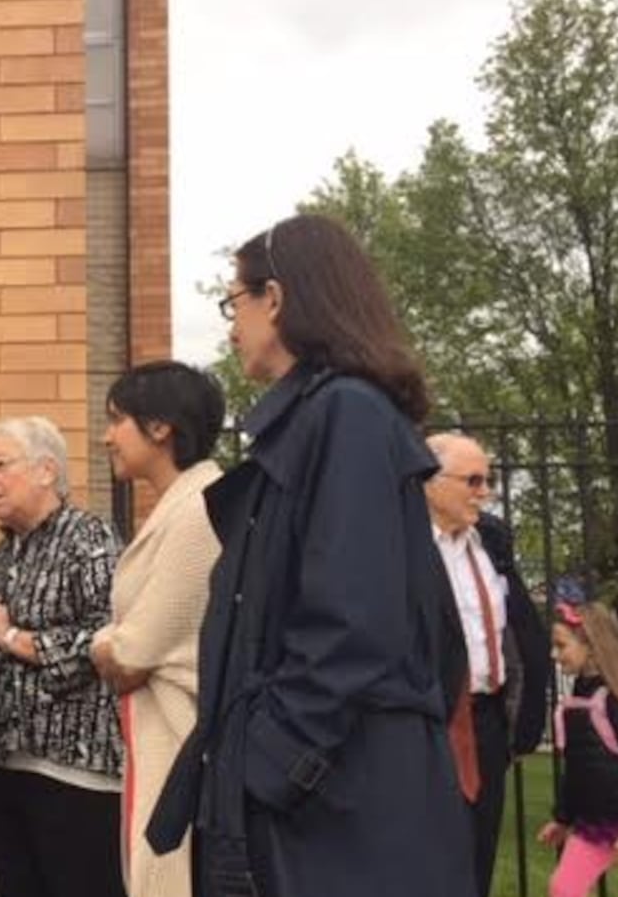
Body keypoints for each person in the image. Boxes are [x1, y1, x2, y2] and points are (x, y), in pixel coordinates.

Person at [147, 214, 474, 897]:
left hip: (336, 815)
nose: (231, 323)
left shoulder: (345, 414)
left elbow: (353, 625)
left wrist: (269, 764)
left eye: (233, 300)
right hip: (325, 806)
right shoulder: (318, 420)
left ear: (278, 297)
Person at [0, 415, 125, 897]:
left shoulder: (90, 539)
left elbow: (106, 638)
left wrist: (11, 635)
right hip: (1, 769)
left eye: (0, 465)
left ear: (46, 470)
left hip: (73, 775)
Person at [89, 361, 224, 897]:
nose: (106, 436)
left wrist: (105, 640)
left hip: (178, 738)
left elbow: (133, 650)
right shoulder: (180, 505)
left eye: (117, 419)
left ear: (160, 426)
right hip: (155, 735)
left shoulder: (198, 510)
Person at [424, 432, 552, 897]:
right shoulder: (400, 547)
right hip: (428, 727)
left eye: (489, 479)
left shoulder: (491, 541)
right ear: (429, 482)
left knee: (478, 859)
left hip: (488, 725)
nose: (486, 491)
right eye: (473, 480)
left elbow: (520, 633)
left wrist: (522, 717)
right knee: (424, 863)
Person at [541, 601, 618, 897]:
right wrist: (563, 818)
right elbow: (578, 769)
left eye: (561, 646)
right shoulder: (577, 698)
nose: (554, 655)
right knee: (563, 889)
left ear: (593, 647)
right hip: (593, 826)